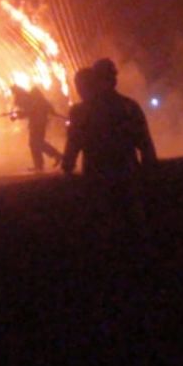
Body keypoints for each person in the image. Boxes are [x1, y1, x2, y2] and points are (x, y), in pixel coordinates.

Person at [61, 59, 157, 241]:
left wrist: (67, 167)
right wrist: (148, 176)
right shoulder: (129, 106)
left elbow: (73, 143)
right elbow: (146, 145)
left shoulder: (81, 111)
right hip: (127, 177)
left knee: (104, 230)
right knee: (134, 228)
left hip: (96, 178)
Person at [10, 84, 63, 172]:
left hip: (37, 124)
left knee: (35, 143)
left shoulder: (30, 99)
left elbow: (29, 111)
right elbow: (30, 111)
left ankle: (45, 162)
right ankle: (45, 161)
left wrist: (17, 115)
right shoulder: (33, 98)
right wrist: (18, 115)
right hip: (39, 124)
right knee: (37, 143)